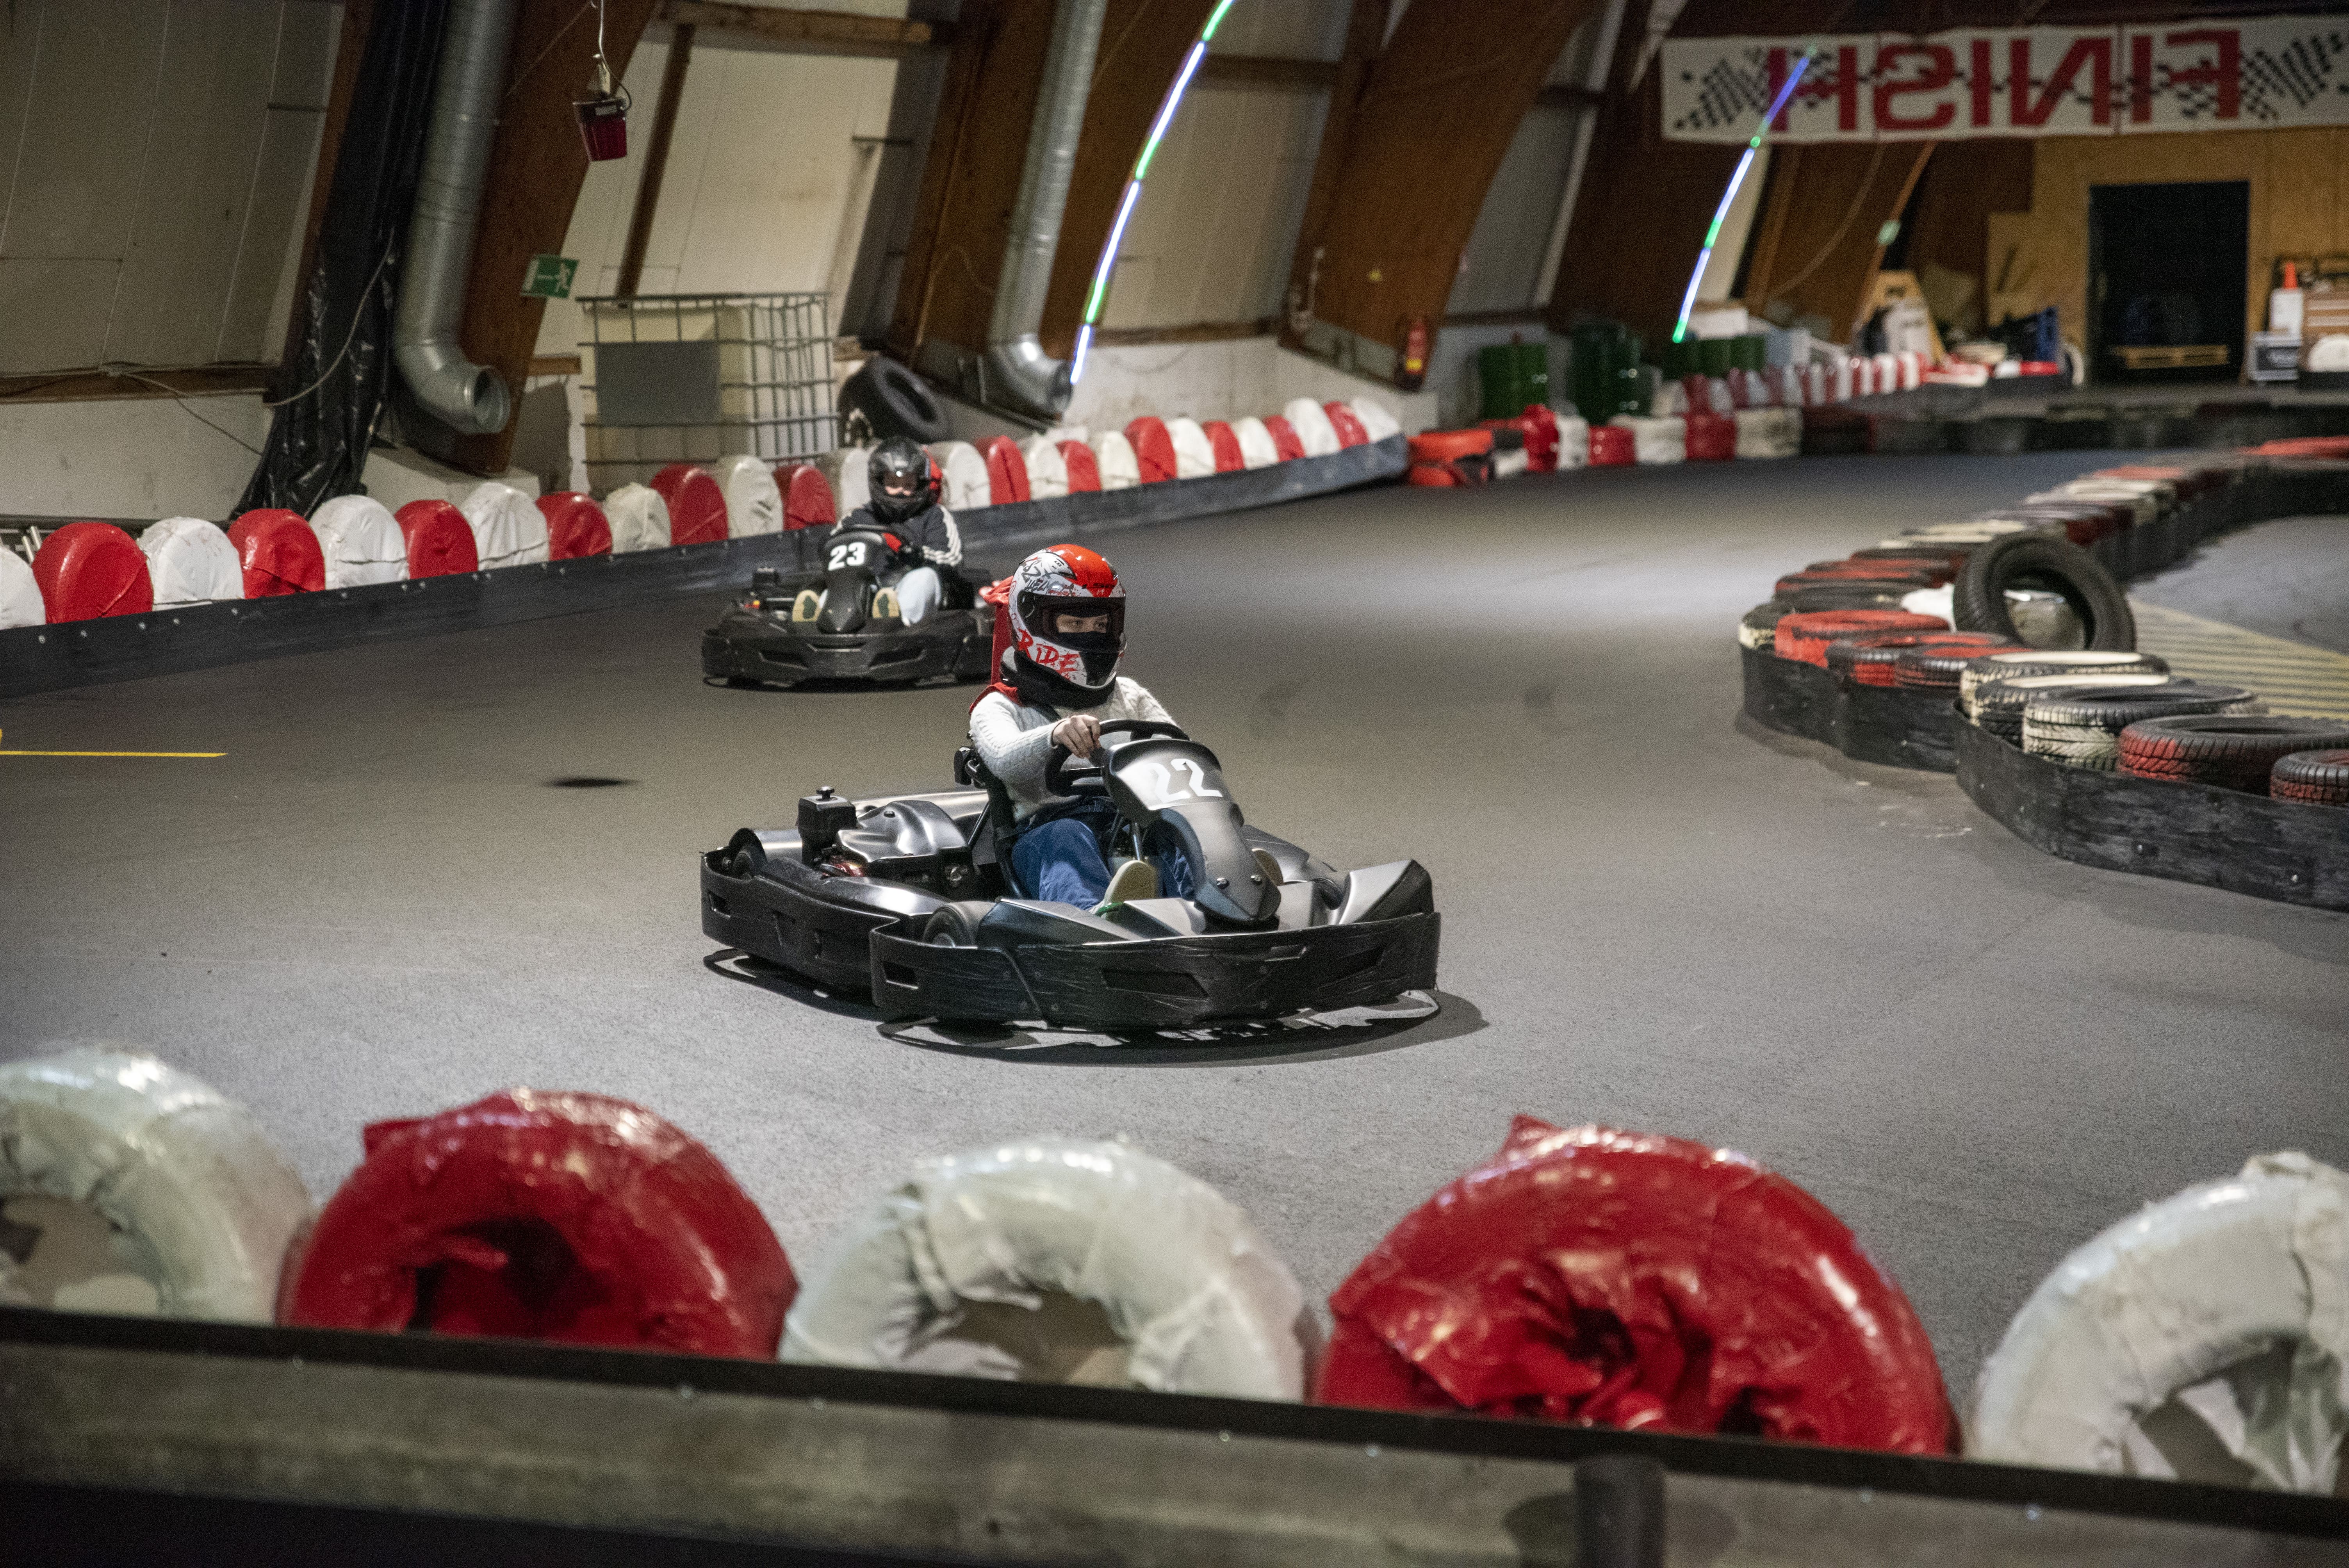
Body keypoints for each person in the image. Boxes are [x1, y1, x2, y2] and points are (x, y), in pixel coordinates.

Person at [968, 545, 1194, 911]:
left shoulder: (1129, 695)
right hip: (1046, 833)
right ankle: (1098, 917)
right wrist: (1053, 735)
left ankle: (1218, 899)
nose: (1091, 635)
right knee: (1067, 835)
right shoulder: (1000, 705)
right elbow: (1005, 760)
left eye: (1100, 625)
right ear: (1032, 622)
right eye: (1075, 624)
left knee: (1177, 828)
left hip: (1130, 825)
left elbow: (1181, 755)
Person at [810, 438, 961, 624]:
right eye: (893, 483)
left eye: (909, 485)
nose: (901, 491)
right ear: (879, 482)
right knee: (837, 587)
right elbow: (831, 548)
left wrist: (918, 554)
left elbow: (952, 558)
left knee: (924, 577)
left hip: (908, 589)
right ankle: (817, 619)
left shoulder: (934, 516)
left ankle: (896, 619)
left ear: (921, 484)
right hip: (867, 589)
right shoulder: (858, 517)